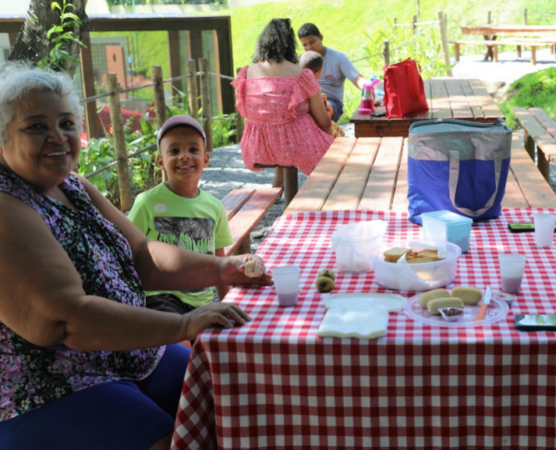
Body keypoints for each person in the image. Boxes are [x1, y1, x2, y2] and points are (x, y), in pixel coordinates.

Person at [0, 63, 272, 450]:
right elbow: (67, 319)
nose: (57, 137)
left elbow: (142, 255)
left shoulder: (72, 185)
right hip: (54, 384)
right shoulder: (6, 204)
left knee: (231, 397)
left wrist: (222, 268)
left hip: (127, 354)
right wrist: (182, 326)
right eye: (36, 126)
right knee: (176, 441)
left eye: (65, 123)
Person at [128, 115, 243, 313]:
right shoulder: (146, 203)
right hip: (159, 297)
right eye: (174, 151)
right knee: (180, 337)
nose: (184, 156)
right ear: (160, 161)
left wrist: (227, 302)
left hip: (201, 301)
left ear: (205, 159)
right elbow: (127, 250)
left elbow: (219, 262)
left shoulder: (214, 207)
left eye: (193, 149)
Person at [233, 18, 333, 190]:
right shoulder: (301, 73)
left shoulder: (247, 73)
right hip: (297, 143)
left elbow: (247, 113)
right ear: (289, 43)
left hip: (259, 146)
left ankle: (279, 188)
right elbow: (323, 121)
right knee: (337, 152)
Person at [298, 22, 370, 122]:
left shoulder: (338, 58)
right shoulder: (301, 61)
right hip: (308, 102)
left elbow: (357, 78)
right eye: (305, 45)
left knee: (322, 107)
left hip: (331, 103)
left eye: (312, 42)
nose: (309, 48)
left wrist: (367, 86)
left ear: (321, 37)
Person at [299, 51, 345, 138]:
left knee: (336, 128)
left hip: (305, 124)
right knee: (339, 137)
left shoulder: (298, 84)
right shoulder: (312, 88)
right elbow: (323, 121)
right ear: (317, 72)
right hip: (316, 126)